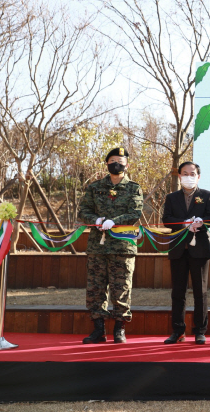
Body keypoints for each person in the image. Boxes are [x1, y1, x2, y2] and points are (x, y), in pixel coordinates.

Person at [78, 147, 143, 344]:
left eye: (121, 160)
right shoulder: (94, 187)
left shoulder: (134, 187)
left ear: (127, 164)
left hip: (122, 247)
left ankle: (119, 328)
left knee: (121, 288)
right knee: (95, 289)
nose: (117, 163)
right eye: (113, 160)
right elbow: (83, 210)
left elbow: (135, 212)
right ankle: (99, 329)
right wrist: (96, 219)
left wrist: (115, 221)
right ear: (107, 163)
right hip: (98, 246)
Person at [162, 162, 210, 345]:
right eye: (184, 173)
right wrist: (184, 223)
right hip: (178, 249)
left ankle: (200, 330)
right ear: (179, 176)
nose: (188, 176)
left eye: (192, 173)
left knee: (201, 292)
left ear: (198, 176)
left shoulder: (207, 196)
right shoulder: (171, 197)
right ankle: (178, 331)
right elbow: (167, 220)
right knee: (178, 292)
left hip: (199, 250)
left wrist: (202, 222)